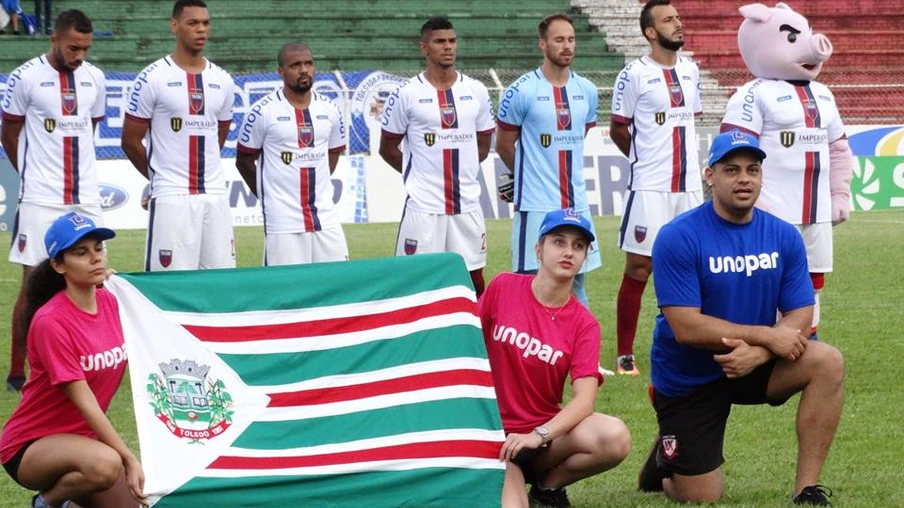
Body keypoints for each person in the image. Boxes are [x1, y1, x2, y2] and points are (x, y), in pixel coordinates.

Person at [639, 130, 843, 506]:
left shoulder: (782, 235)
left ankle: (806, 489)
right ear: (710, 175)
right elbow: (685, 326)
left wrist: (761, 353)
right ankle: (666, 460)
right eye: (731, 169)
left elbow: (800, 310)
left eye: (752, 169)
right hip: (690, 376)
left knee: (827, 361)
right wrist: (766, 339)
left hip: (753, 365)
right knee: (701, 497)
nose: (744, 178)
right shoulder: (677, 236)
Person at [480, 208, 630, 508]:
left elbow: (584, 401)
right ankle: (510, 480)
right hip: (495, 435)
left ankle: (547, 487)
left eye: (578, 246)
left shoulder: (584, 324)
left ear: (585, 257)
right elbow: (465, 343)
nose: (568, 252)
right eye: (559, 242)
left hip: (542, 437)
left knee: (615, 436)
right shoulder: (503, 287)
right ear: (539, 249)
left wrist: (538, 435)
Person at [721, 2, 853, 342]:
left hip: (817, 214)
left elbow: (838, 148)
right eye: (794, 38)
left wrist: (839, 194)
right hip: (773, 212)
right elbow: (731, 155)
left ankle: (805, 346)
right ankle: (759, 344)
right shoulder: (752, 95)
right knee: (768, 283)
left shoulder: (824, 94)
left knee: (812, 284)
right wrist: (749, 205)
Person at [0, 212, 147, 508]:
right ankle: (46, 503)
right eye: (81, 253)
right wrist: (128, 459)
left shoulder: (111, 301)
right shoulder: (51, 322)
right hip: (31, 447)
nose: (95, 258)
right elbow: (86, 403)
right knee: (107, 464)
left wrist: (123, 287)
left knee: (137, 504)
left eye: (98, 248)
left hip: (84, 444)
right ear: (58, 265)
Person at [1, 9, 106, 393]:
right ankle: (17, 372)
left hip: (86, 198)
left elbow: (90, 129)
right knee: (33, 284)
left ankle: (91, 360)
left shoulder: (95, 78)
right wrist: (30, 178)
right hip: (41, 198)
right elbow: (9, 133)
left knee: (93, 280)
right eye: (73, 47)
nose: (79, 55)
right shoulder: (25, 76)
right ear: (54, 39)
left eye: (85, 48)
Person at [609, 0, 703, 376]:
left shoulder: (692, 70)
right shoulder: (633, 74)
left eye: (678, 18)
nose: (678, 24)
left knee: (697, 267)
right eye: (669, 20)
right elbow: (619, 127)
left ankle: (695, 341)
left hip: (690, 187)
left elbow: (691, 120)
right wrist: (643, 159)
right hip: (650, 186)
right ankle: (624, 354)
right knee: (639, 267)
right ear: (651, 32)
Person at [379, 16, 495, 297]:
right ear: (424, 48)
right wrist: (416, 173)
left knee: (473, 281)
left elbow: (482, 143)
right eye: (440, 42)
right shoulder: (405, 94)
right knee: (413, 281)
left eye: (452, 41)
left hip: (467, 204)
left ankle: (470, 337)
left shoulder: (476, 91)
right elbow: (388, 147)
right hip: (423, 207)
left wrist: (461, 172)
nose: (448, 47)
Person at [121, 0, 236, 272]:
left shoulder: (223, 80)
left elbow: (217, 136)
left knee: (220, 283)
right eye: (192, 23)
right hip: (172, 197)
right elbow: (130, 141)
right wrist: (158, 179)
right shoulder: (152, 77)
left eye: (206, 23)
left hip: (215, 195)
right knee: (169, 284)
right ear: (174, 26)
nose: (201, 30)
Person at [495, 13, 601, 308]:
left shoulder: (588, 91)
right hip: (536, 207)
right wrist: (526, 176)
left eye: (571, 39)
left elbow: (582, 133)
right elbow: (504, 144)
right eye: (559, 40)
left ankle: (582, 355)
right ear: (543, 44)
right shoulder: (521, 90)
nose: (566, 46)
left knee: (576, 289)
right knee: (529, 287)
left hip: (576, 205)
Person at [236, 42, 349, 265]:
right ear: (281, 71)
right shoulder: (263, 111)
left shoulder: (330, 108)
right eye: (296, 65)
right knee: (286, 292)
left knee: (337, 285)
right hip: (283, 222)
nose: (304, 70)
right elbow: (244, 161)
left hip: (326, 217)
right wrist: (268, 195)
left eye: (308, 63)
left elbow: (333, 152)